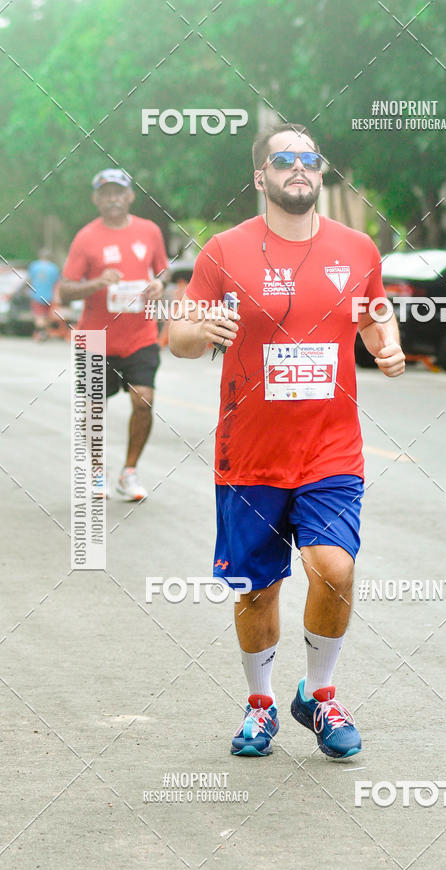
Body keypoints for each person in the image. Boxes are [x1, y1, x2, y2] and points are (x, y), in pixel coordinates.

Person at [169, 123, 405, 757]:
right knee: (257, 590)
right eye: (284, 160)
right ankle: (261, 705)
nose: (299, 167)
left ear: (320, 171)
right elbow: (179, 336)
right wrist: (202, 331)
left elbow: (374, 312)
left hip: (330, 449)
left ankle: (320, 695)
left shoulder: (357, 248)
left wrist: (387, 343)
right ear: (260, 176)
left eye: (309, 158)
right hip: (248, 454)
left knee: (335, 567)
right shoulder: (224, 250)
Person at [59, 169, 169, 500]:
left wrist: (158, 284)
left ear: (130, 196)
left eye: (118, 192)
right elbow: (65, 290)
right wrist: (97, 282)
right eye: (105, 193)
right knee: (94, 409)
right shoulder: (86, 237)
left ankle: (129, 472)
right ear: (96, 199)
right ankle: (97, 472)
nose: (112, 199)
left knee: (143, 399)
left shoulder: (149, 231)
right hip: (95, 337)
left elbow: (162, 272)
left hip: (140, 335)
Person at [28, 249, 60, 341]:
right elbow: (57, 283)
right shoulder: (54, 268)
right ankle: (44, 332)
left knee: (38, 315)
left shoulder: (34, 266)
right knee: (46, 315)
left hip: (36, 295)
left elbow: (29, 279)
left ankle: (41, 333)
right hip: (49, 295)